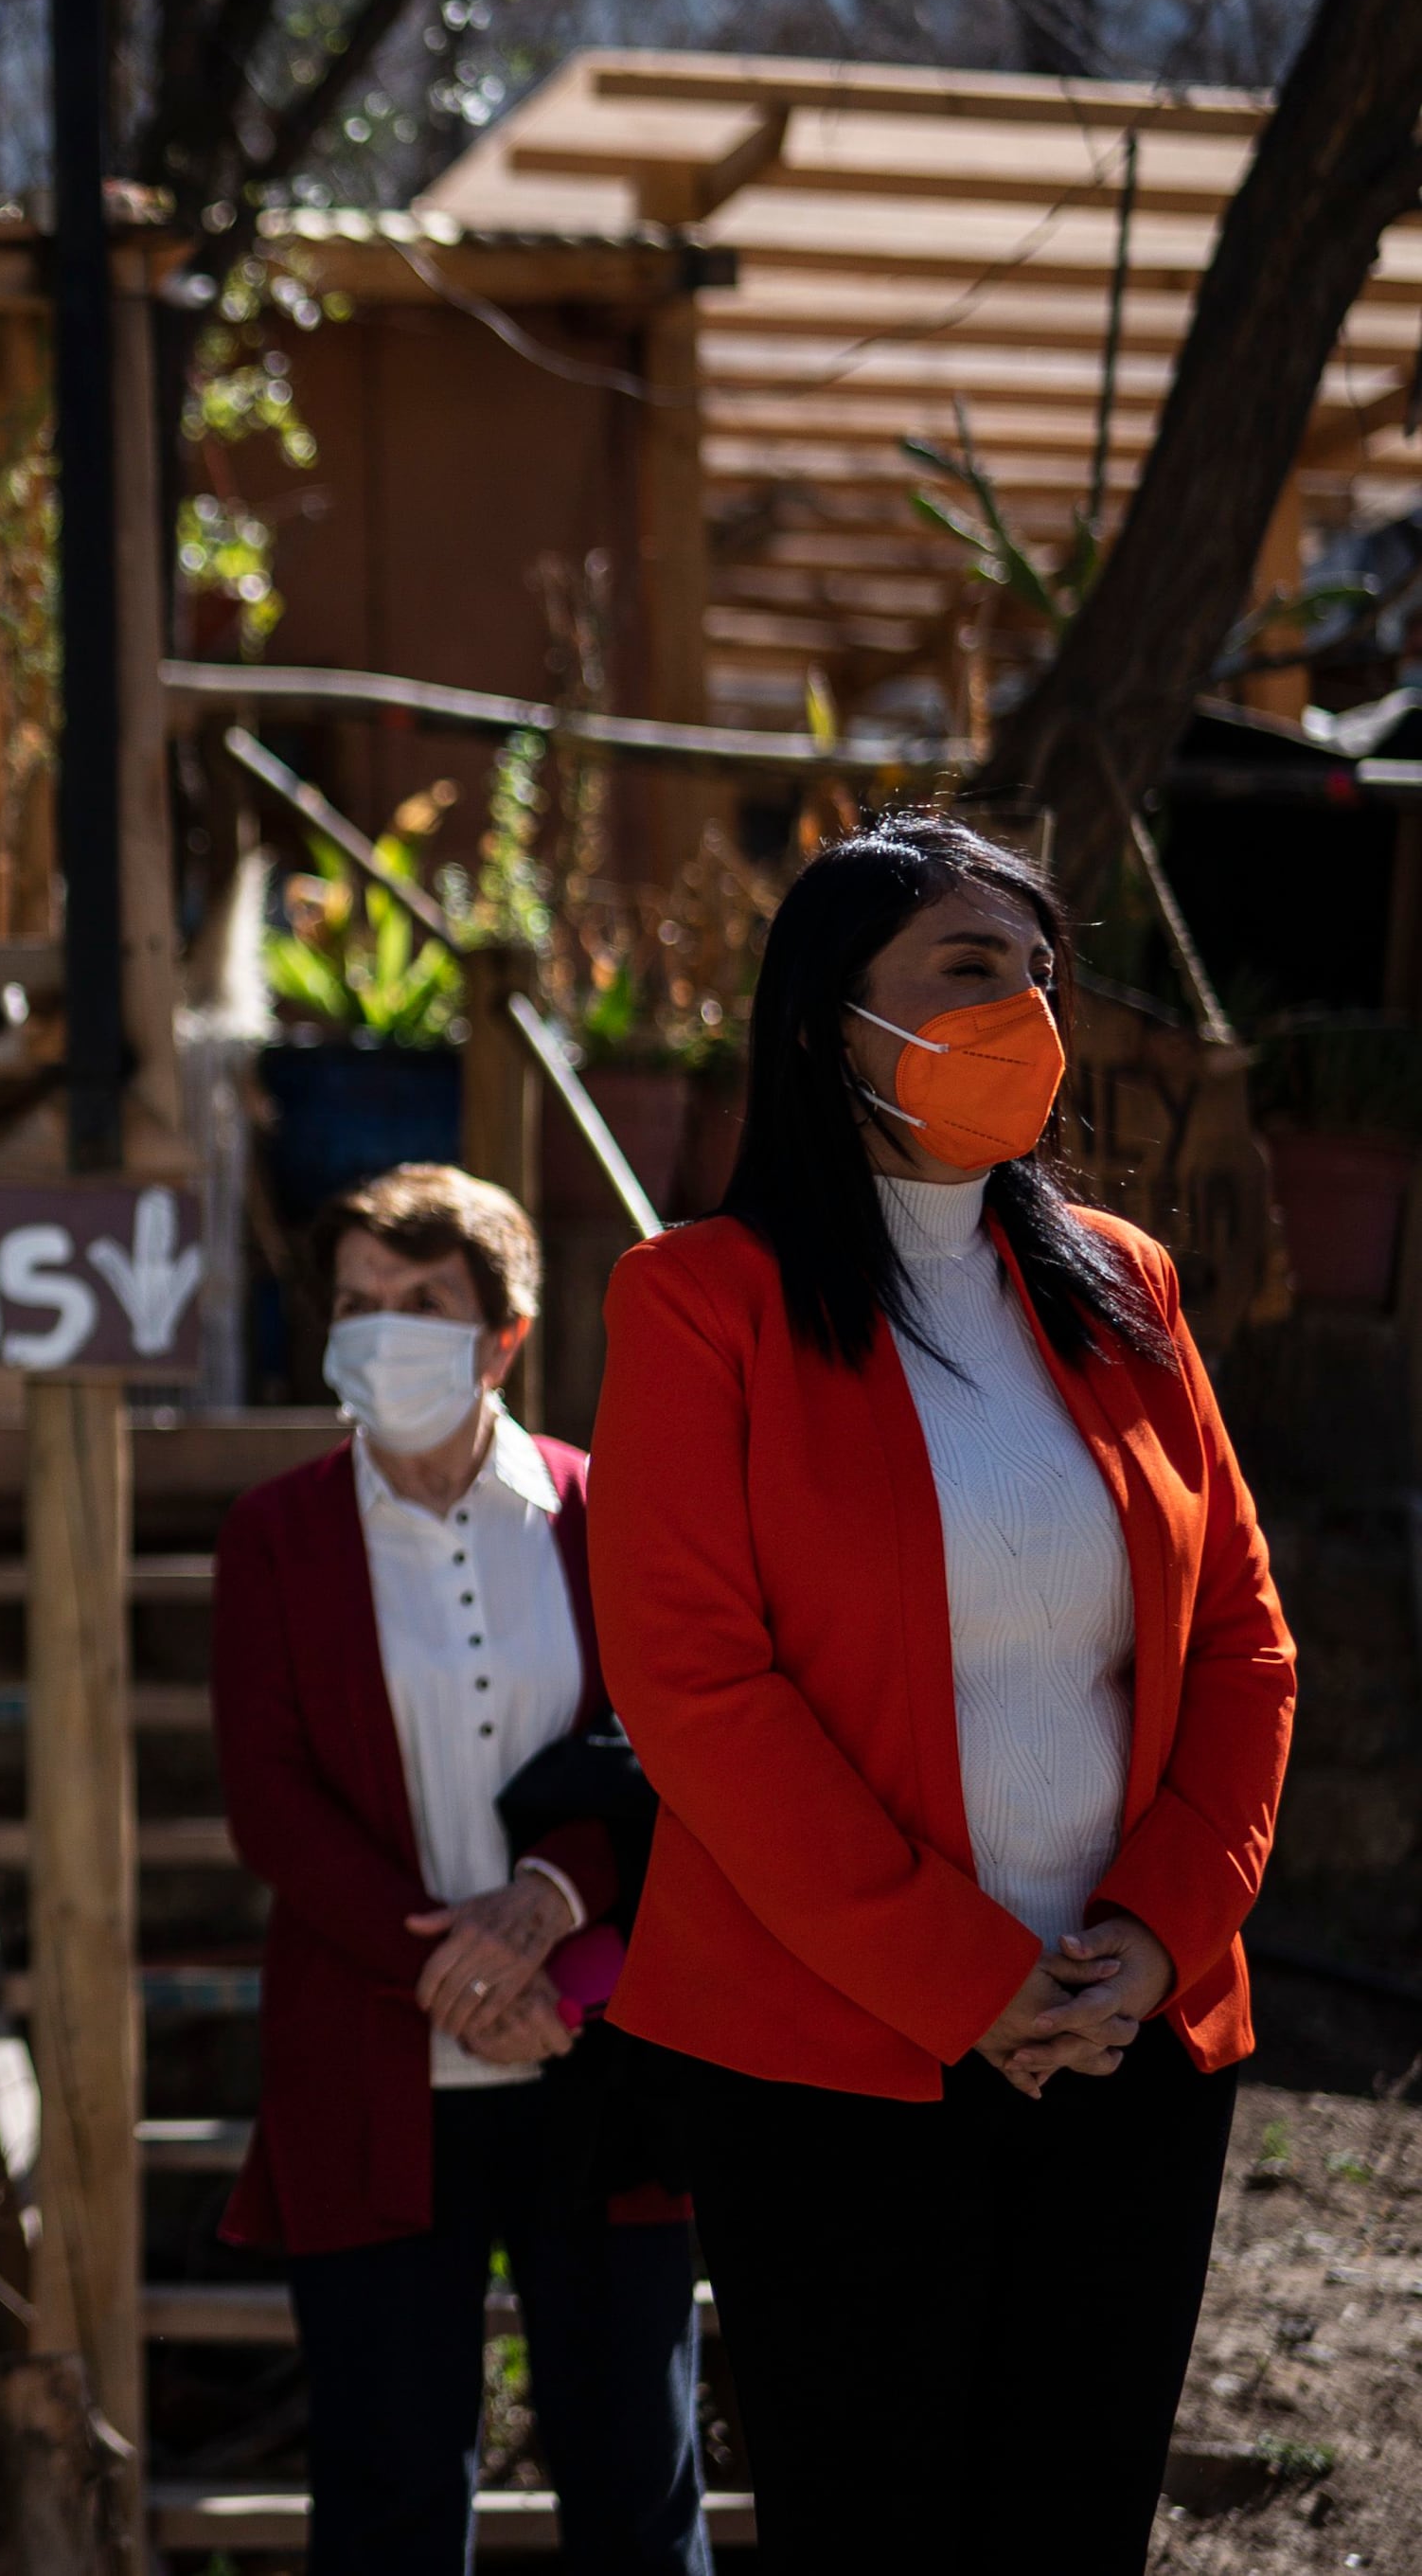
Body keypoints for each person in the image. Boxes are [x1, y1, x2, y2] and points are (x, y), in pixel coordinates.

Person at [591, 814, 1297, 2572]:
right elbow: (697, 1689)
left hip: (1130, 2040)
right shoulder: (700, 1302)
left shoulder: (1125, 1285)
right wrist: (966, 1979)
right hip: (835, 2058)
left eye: (1039, 970)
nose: (1029, 1011)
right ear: (833, 1018)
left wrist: (1156, 1937)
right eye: (969, 970)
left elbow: (1244, 1642)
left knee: (1073, 2530)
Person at [212, 1164, 705, 2576]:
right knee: (390, 2505)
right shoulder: (276, 1536)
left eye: (420, 1301)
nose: (380, 1331)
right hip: (374, 2071)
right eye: (357, 1302)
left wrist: (543, 1907)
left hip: (595, 2062)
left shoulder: (610, 1513)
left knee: (638, 2490)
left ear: (503, 1333)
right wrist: (457, 1971)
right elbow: (274, 1806)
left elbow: (661, 1748)